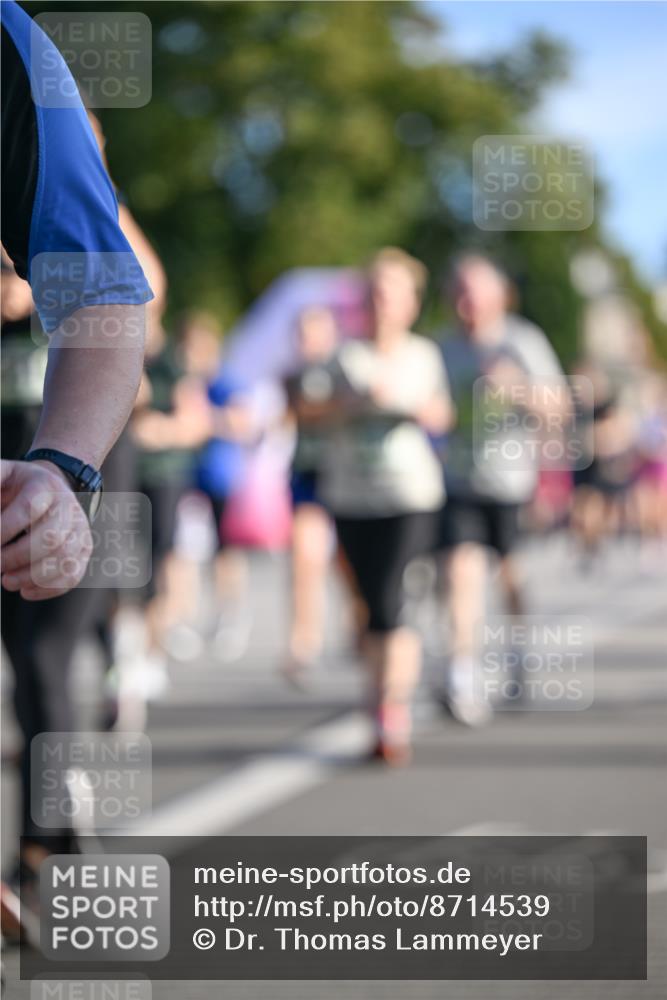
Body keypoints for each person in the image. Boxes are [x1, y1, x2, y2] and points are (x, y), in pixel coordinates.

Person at [1, 0, 152, 925]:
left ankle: (50, 839)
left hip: (44, 448)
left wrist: (65, 469)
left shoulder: (11, 55)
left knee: (45, 653)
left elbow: (112, 294)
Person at [320, 248, 453, 764]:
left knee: (393, 600)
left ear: (410, 304)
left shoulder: (423, 355)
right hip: (352, 494)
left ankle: (388, 710)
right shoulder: (344, 356)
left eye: (391, 294)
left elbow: (441, 415)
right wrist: (345, 404)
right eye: (373, 293)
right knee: (369, 604)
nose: (381, 303)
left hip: (409, 495)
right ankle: (377, 694)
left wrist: (411, 405)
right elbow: (308, 413)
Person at [437, 253, 568, 726]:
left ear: (498, 295)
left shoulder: (522, 341)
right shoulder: (442, 346)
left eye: (475, 290)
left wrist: (518, 389)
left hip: (511, 481)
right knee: (460, 570)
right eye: (459, 290)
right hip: (457, 481)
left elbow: (559, 408)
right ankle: (463, 673)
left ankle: (518, 653)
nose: (467, 300)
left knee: (510, 576)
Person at [282, 306, 340, 684]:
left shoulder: (345, 370)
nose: (307, 341)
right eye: (301, 333)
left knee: (349, 566)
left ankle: (364, 627)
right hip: (307, 476)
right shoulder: (291, 376)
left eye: (314, 332)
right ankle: (304, 641)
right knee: (305, 558)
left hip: (347, 476)